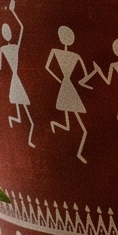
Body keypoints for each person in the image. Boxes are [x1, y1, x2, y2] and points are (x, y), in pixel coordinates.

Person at [45, 25, 91, 162]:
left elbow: (49, 67)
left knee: (69, 124)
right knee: (82, 128)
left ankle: (55, 124)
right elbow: (84, 76)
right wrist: (64, 79)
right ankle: (78, 154)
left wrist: (62, 79)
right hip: (68, 89)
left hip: (67, 88)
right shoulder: (70, 55)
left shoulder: (70, 55)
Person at [0, 2, 36, 146]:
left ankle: (15, 123)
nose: (7, 33)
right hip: (15, 81)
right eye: (5, 31)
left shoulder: (7, 48)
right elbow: (0, 68)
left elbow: (21, 29)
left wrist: (14, 12)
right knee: (24, 113)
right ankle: (22, 132)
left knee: (22, 112)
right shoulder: (9, 48)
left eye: (7, 31)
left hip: (15, 81)